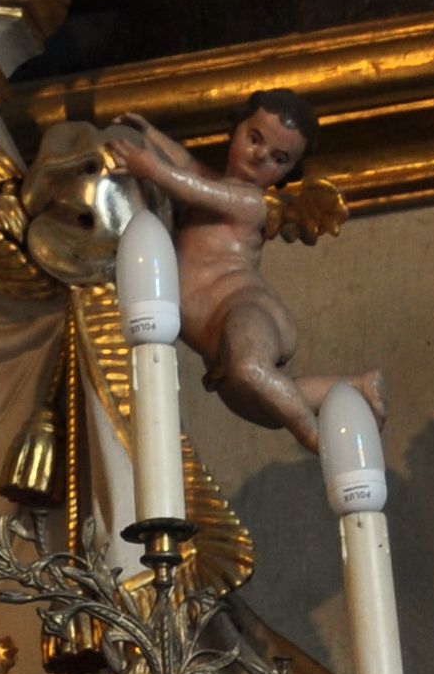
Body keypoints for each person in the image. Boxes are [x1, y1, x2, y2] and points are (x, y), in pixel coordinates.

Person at [106, 92, 382, 452]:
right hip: (219, 343)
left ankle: (313, 437)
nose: (260, 155)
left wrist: (150, 168)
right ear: (235, 129)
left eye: (278, 158)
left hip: (244, 310)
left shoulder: (251, 203)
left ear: (287, 173)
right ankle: (356, 387)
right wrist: (150, 133)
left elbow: (189, 187)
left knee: (251, 370)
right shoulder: (215, 182)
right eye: (255, 138)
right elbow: (186, 163)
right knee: (268, 408)